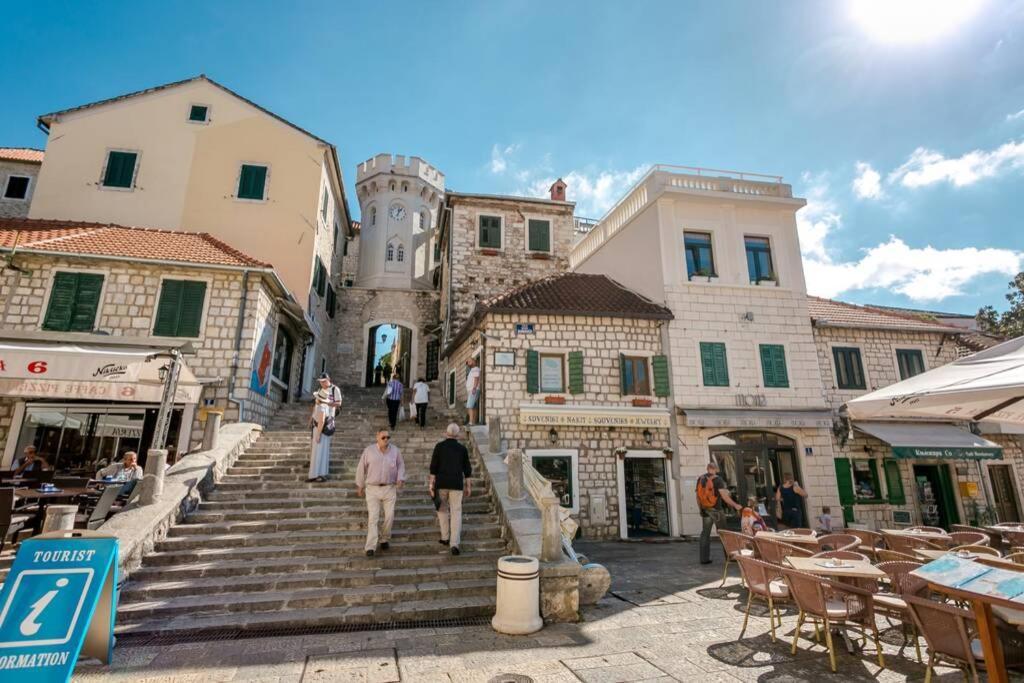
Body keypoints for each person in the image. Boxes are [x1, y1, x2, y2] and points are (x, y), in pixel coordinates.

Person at [355, 429, 406, 557]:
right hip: (372, 488)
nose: (386, 440)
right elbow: (361, 468)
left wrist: (400, 478)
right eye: (383, 437)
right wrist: (360, 485)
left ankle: (384, 538)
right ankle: (370, 547)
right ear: (377, 437)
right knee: (373, 517)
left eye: (388, 437)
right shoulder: (369, 451)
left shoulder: (395, 451)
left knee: (389, 516)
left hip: (389, 488)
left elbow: (401, 465)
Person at [429, 423, 472, 556]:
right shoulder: (462, 449)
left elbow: (433, 468)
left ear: (446, 433)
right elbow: (467, 470)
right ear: (458, 435)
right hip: (456, 485)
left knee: (442, 511)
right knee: (456, 513)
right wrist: (468, 486)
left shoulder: (439, 447)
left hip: (441, 484)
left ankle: (445, 537)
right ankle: (454, 543)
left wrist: (431, 485)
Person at [696, 461, 742, 565]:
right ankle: (730, 557)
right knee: (724, 533)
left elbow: (698, 497)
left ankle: (704, 559)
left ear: (707, 468)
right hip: (717, 510)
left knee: (705, 534)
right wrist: (735, 505)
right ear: (716, 469)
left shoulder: (700, 479)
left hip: (705, 510)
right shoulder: (718, 480)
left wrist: (700, 509)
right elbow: (724, 497)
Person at [309, 373, 342, 483]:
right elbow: (316, 404)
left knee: (322, 446)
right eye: (320, 381)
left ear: (328, 380)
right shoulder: (320, 391)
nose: (322, 383)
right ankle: (315, 469)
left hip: (328, 419)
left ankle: (320, 471)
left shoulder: (335, 389)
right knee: (316, 446)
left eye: (323, 381)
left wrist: (327, 404)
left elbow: (339, 403)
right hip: (318, 419)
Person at [465, 358, 481, 425]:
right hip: (472, 390)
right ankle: (474, 421)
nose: (469, 363)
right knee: (473, 406)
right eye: (468, 362)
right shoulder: (472, 370)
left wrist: (474, 388)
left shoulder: (475, 369)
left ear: (474, 361)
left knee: (469, 406)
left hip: (473, 390)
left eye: (470, 361)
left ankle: (471, 422)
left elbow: (476, 378)